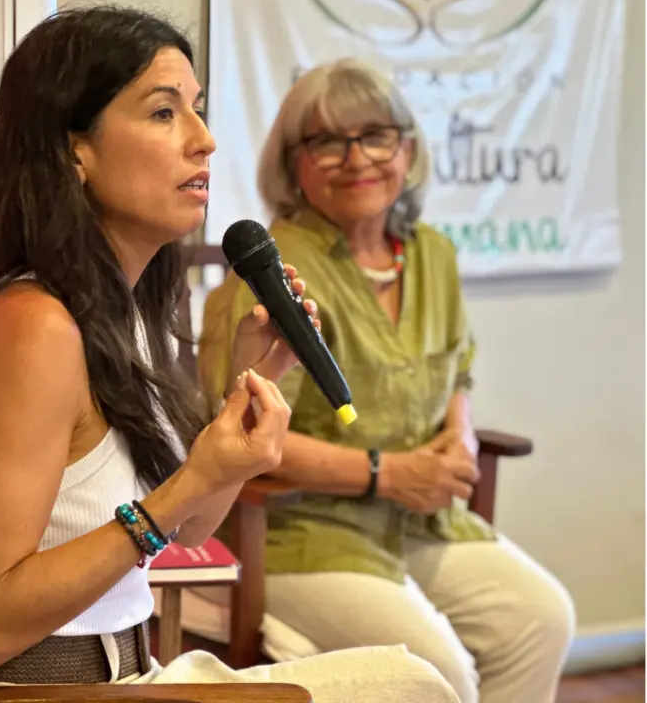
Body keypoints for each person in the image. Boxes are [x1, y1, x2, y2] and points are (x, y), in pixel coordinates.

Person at [0, 6, 459, 702]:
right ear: (74, 150)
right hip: (25, 691)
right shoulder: (30, 326)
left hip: (128, 672)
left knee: (416, 683)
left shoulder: (123, 313)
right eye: (163, 113)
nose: (205, 141)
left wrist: (237, 410)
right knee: (412, 686)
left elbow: (191, 531)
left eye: (199, 110)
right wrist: (182, 487)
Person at [199, 59, 576, 703]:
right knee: (438, 675)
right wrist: (385, 473)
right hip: (302, 534)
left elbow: (459, 368)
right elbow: (247, 431)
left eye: (376, 136)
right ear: (293, 165)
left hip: (422, 522)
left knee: (542, 618)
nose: (357, 159)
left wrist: (458, 439)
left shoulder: (432, 253)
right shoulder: (277, 271)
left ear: (407, 149)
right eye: (328, 142)